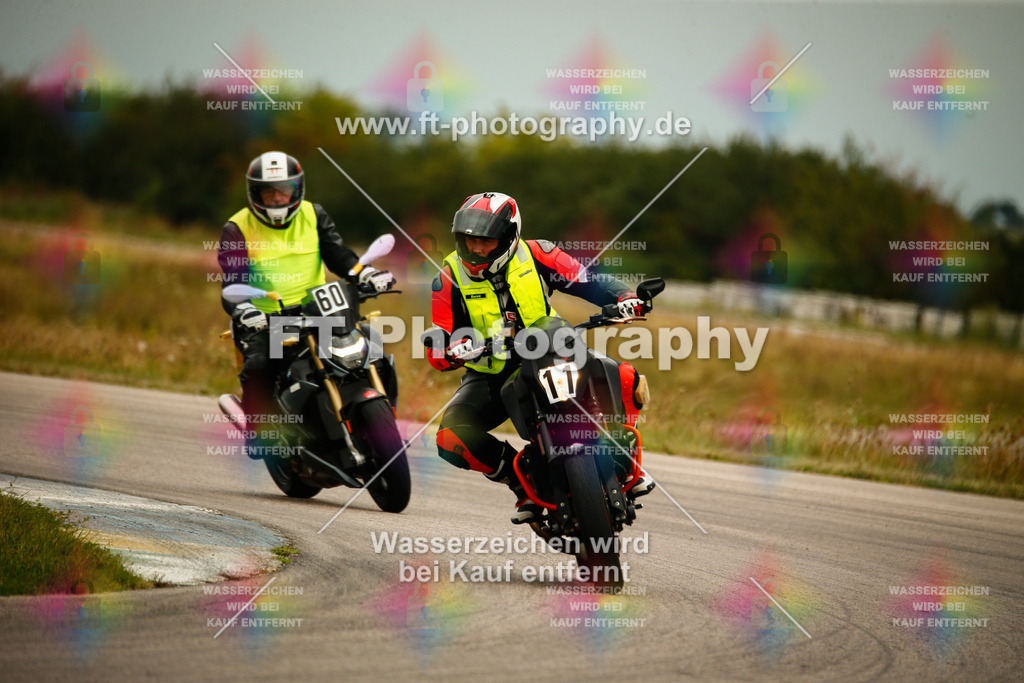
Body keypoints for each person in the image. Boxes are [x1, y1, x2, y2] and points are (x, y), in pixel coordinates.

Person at [426, 192, 654, 522]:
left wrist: (625, 298)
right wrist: (447, 351)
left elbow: (588, 281)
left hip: (553, 348)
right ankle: (521, 483)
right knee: (450, 438)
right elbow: (439, 336)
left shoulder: (538, 253)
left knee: (625, 376)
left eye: (486, 241)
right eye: (469, 239)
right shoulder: (447, 278)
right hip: (493, 372)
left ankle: (626, 460)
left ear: (508, 237)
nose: (475, 249)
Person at [217, 151, 395, 451]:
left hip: (320, 308)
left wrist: (363, 274)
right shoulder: (237, 228)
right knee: (261, 363)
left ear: (296, 189)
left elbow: (338, 255)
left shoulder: (314, 214)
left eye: (284, 190)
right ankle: (258, 430)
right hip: (267, 318)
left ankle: (385, 421)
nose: (277, 199)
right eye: (268, 192)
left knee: (373, 348)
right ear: (254, 192)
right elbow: (232, 282)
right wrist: (244, 310)